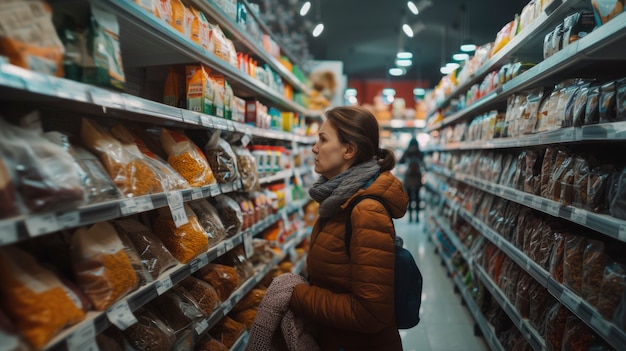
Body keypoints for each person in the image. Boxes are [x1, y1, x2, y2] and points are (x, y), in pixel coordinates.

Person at [289, 106, 409, 351]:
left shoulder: (365, 212)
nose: (314, 148)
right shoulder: (338, 200)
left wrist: (297, 295)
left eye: (323, 139)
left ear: (349, 150)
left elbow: (371, 313)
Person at [398, 137, 424, 223]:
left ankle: (410, 218)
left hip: (408, 177)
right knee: (417, 197)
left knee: (408, 198)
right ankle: (417, 217)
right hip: (417, 177)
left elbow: (401, 161)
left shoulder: (407, 152)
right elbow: (423, 163)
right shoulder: (420, 152)